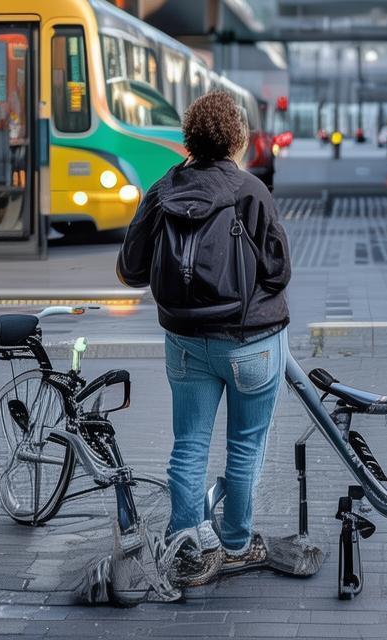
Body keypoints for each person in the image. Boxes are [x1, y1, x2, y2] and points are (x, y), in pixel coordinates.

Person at [117, 89, 291, 585]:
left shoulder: (161, 191)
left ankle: (188, 543)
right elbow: (278, 271)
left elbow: (131, 270)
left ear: (188, 138)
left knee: (189, 444)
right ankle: (235, 544)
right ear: (237, 139)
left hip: (185, 341)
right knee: (245, 446)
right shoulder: (250, 190)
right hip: (250, 339)